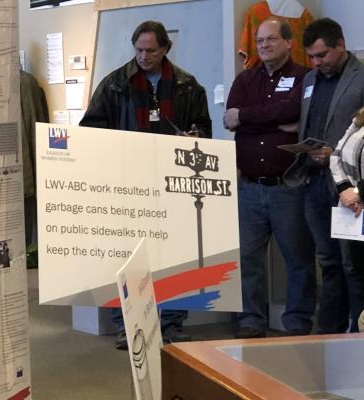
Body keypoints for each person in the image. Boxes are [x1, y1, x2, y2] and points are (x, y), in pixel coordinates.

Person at [80, 20, 211, 349]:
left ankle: (171, 322)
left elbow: (205, 133)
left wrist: (194, 137)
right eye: (138, 50)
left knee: (173, 256)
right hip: (127, 184)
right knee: (126, 257)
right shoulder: (113, 85)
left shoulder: (188, 86)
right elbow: (91, 131)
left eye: (151, 50)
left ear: (166, 48)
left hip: (172, 185)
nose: (143, 56)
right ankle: (127, 323)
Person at [225, 18, 315, 339]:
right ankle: (251, 320)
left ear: (289, 42)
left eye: (271, 39)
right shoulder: (245, 80)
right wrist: (277, 121)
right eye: (260, 41)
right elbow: (228, 119)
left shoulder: (305, 77)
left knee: (298, 258)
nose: (263, 45)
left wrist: (247, 117)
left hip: (288, 186)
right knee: (248, 258)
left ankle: (298, 321)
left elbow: (295, 111)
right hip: (250, 186)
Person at [284, 17, 364, 333]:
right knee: (327, 263)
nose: (317, 63)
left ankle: (357, 333)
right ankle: (328, 334)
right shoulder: (309, 80)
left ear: (340, 45)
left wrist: (335, 153)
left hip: (350, 186)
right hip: (313, 181)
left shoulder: (361, 77)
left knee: (353, 265)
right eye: (312, 57)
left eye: (323, 55)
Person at [330, 107, 364, 332]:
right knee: (356, 271)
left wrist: (360, 193)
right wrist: (346, 190)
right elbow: (336, 156)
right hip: (354, 208)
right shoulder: (359, 119)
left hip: (358, 198)